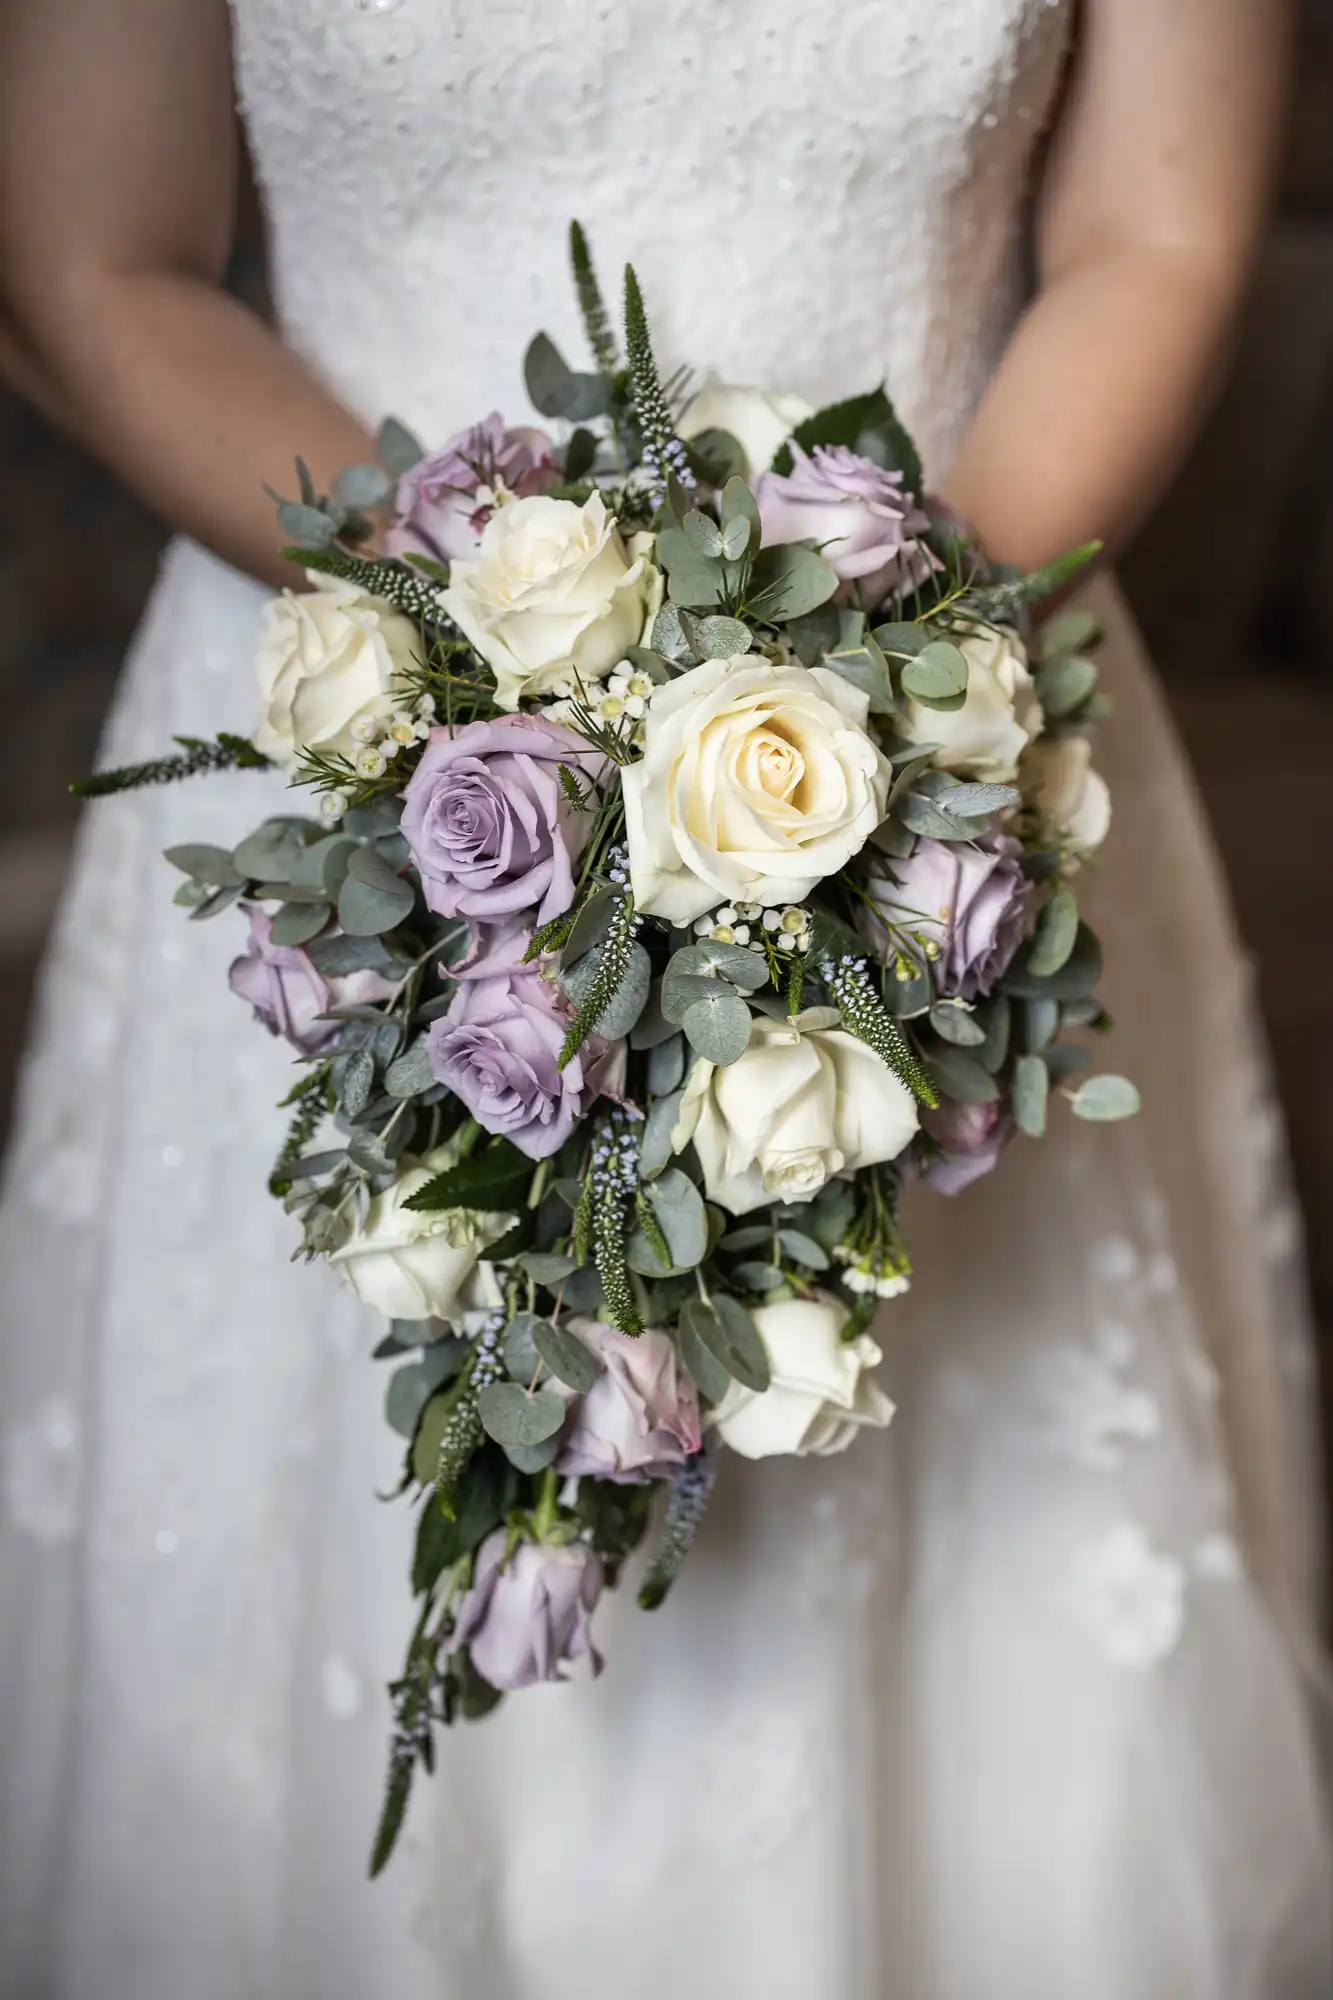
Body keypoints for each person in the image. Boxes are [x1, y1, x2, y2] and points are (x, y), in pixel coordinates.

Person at [0, 2, 1328, 1995]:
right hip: (357, 719)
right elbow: (95, 252)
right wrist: (484, 660)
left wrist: (884, 705)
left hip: (956, 718)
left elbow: (1159, 229)